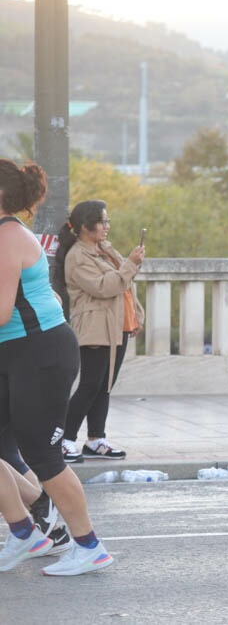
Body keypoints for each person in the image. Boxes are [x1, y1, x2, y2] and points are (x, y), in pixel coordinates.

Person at [0, 158, 114, 575]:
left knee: (43, 453)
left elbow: (1, 310)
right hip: (15, 352)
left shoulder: (8, 237)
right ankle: (26, 533)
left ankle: (90, 546)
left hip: (41, 351)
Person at [55, 200, 145, 462]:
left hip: (117, 325)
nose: (107, 227)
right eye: (102, 222)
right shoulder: (78, 256)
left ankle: (96, 439)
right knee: (90, 385)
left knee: (105, 386)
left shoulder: (102, 249)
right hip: (96, 327)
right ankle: (64, 439)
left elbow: (124, 283)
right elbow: (105, 287)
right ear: (85, 227)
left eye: (107, 221)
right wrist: (130, 262)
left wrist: (136, 314)